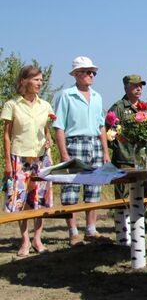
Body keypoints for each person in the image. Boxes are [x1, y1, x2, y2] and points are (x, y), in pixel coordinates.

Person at [52, 56, 111, 246]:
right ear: (77, 74)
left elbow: (101, 126)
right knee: (71, 188)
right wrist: (63, 154)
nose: (92, 75)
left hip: (94, 144)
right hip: (74, 143)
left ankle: (91, 229)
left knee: (93, 187)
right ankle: (73, 231)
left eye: (93, 72)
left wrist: (106, 152)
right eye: (88, 72)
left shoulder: (97, 96)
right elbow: (59, 126)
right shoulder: (66, 95)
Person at [2, 65, 54, 256]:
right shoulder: (12, 105)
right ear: (24, 81)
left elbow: (46, 129)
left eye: (41, 79)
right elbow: (6, 135)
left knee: (39, 199)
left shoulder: (45, 105)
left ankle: (37, 239)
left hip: (40, 159)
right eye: (36, 79)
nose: (40, 83)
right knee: (21, 201)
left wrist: (49, 138)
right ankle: (24, 241)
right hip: (19, 157)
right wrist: (7, 162)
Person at [107, 74, 147, 199]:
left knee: (143, 196)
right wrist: (119, 147)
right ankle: (122, 219)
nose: (139, 88)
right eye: (135, 85)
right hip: (124, 159)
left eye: (140, 85)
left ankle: (142, 218)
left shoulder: (145, 107)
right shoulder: (118, 107)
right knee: (123, 199)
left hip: (142, 159)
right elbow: (109, 132)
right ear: (126, 88)